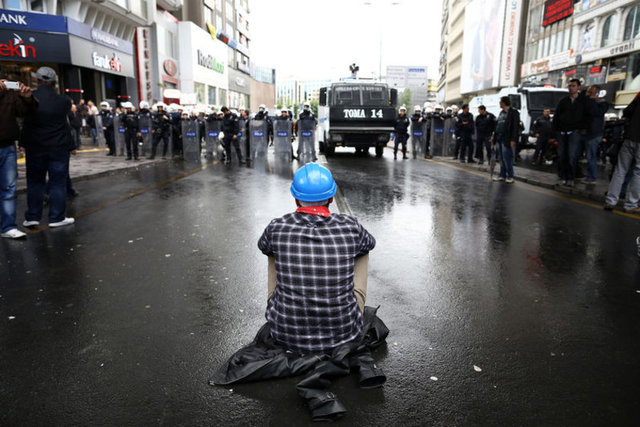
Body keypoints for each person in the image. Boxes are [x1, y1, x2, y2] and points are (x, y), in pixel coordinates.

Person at [258, 163, 375, 354]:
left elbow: (263, 246)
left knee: (272, 250)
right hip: (344, 334)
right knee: (363, 249)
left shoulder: (276, 227)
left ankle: (279, 307)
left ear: (296, 199)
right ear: (331, 197)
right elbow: (370, 243)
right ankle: (352, 309)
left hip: (284, 334)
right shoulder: (351, 226)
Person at [20, 66, 75, 228]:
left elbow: (26, 124)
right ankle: (56, 217)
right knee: (58, 182)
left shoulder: (30, 99)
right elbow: (65, 125)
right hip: (58, 147)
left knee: (35, 182)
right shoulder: (64, 101)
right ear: (54, 82)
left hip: (35, 147)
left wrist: (22, 143)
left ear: (36, 80)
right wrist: (71, 145)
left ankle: (33, 216)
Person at [0, 77, 38, 238]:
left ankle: (8, 227)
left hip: (7, 145)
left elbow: (26, 111)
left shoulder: (9, 94)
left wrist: (27, 97)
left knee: (9, 188)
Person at [604, 91, 640, 213]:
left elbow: (627, 112)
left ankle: (610, 201)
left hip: (629, 137)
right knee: (638, 173)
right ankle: (631, 204)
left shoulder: (639, 97)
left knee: (620, 170)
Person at [551, 78, 588, 187]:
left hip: (575, 132)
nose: (571, 88)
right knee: (562, 156)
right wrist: (554, 133)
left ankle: (571, 177)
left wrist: (580, 128)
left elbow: (587, 117)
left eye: (573, 86)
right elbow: (556, 117)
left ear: (578, 87)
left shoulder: (583, 101)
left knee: (572, 155)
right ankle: (564, 176)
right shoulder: (563, 101)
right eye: (570, 86)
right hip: (562, 132)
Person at [492, 96, 520, 184]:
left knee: (506, 157)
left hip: (506, 138)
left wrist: (513, 139)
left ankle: (510, 176)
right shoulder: (501, 113)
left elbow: (515, 127)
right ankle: (502, 175)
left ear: (504, 102)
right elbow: (498, 125)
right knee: (501, 158)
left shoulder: (513, 112)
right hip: (499, 137)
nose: (499, 103)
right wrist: (494, 137)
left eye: (500, 101)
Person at [585, 85, 608, 183]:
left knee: (591, 156)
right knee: (589, 156)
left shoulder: (602, 103)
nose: (589, 94)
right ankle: (589, 176)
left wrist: (592, 100)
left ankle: (592, 177)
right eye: (589, 92)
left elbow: (595, 112)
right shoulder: (589, 102)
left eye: (592, 92)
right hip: (588, 133)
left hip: (595, 134)